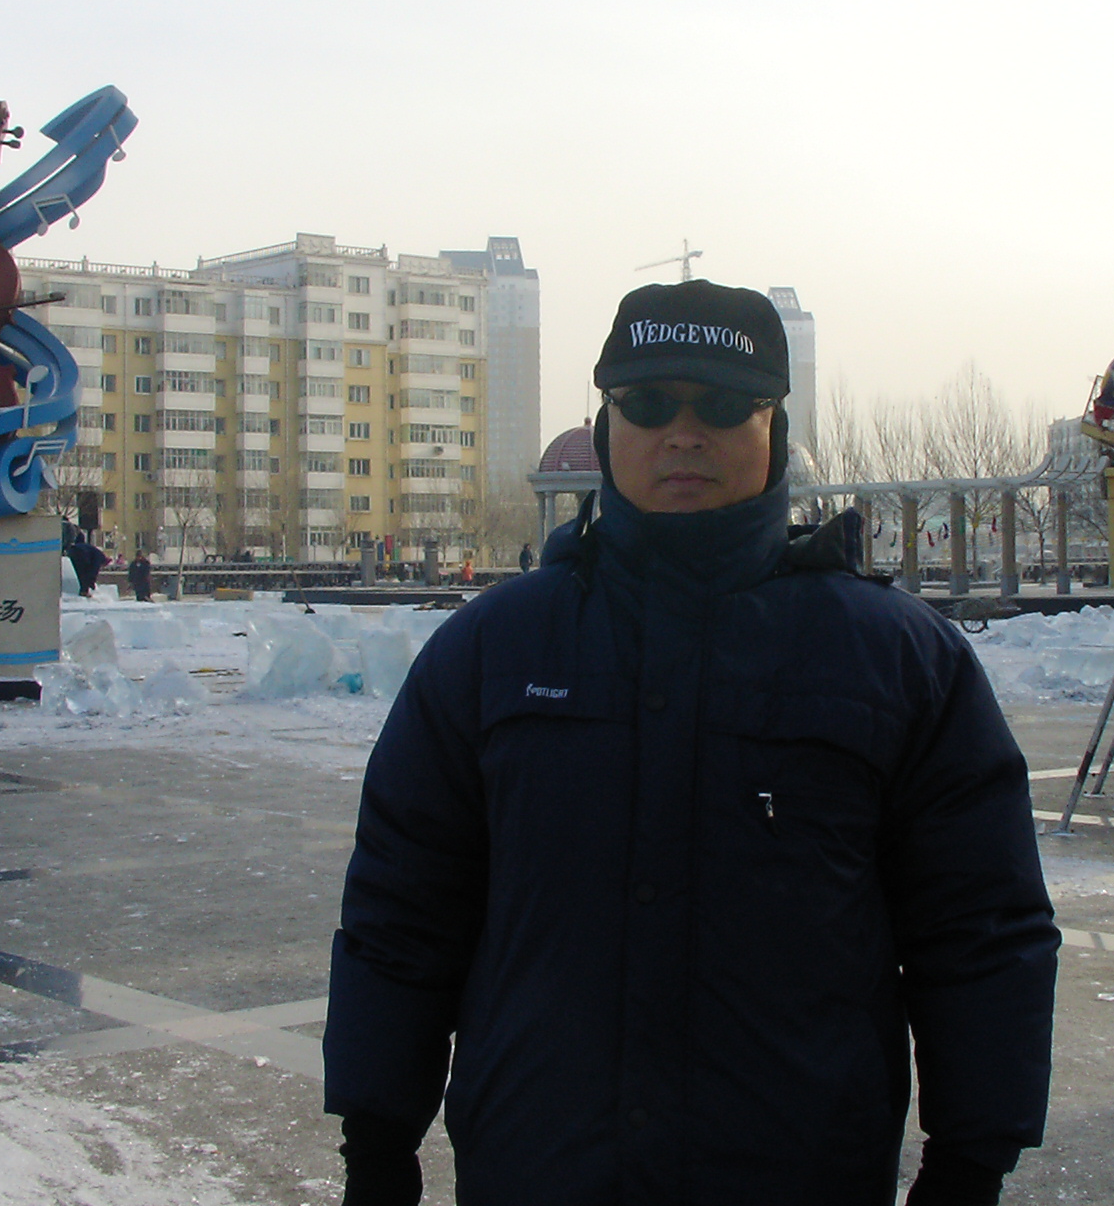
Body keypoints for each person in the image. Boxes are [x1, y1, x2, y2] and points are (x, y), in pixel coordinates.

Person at [325, 281, 1058, 1206]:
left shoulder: (897, 661)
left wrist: (970, 1163)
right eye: (647, 403)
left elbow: (982, 931)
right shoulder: (493, 652)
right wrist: (377, 1144)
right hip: (541, 1173)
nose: (682, 433)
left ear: (773, 429)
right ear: (606, 427)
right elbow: (402, 914)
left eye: (720, 404)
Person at [66, 532, 108, 598]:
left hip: (72, 551)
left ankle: (83, 591)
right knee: (85, 573)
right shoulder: (99, 557)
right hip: (82, 555)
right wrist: (92, 582)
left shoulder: (92, 549)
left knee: (79, 573)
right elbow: (94, 570)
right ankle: (84, 592)